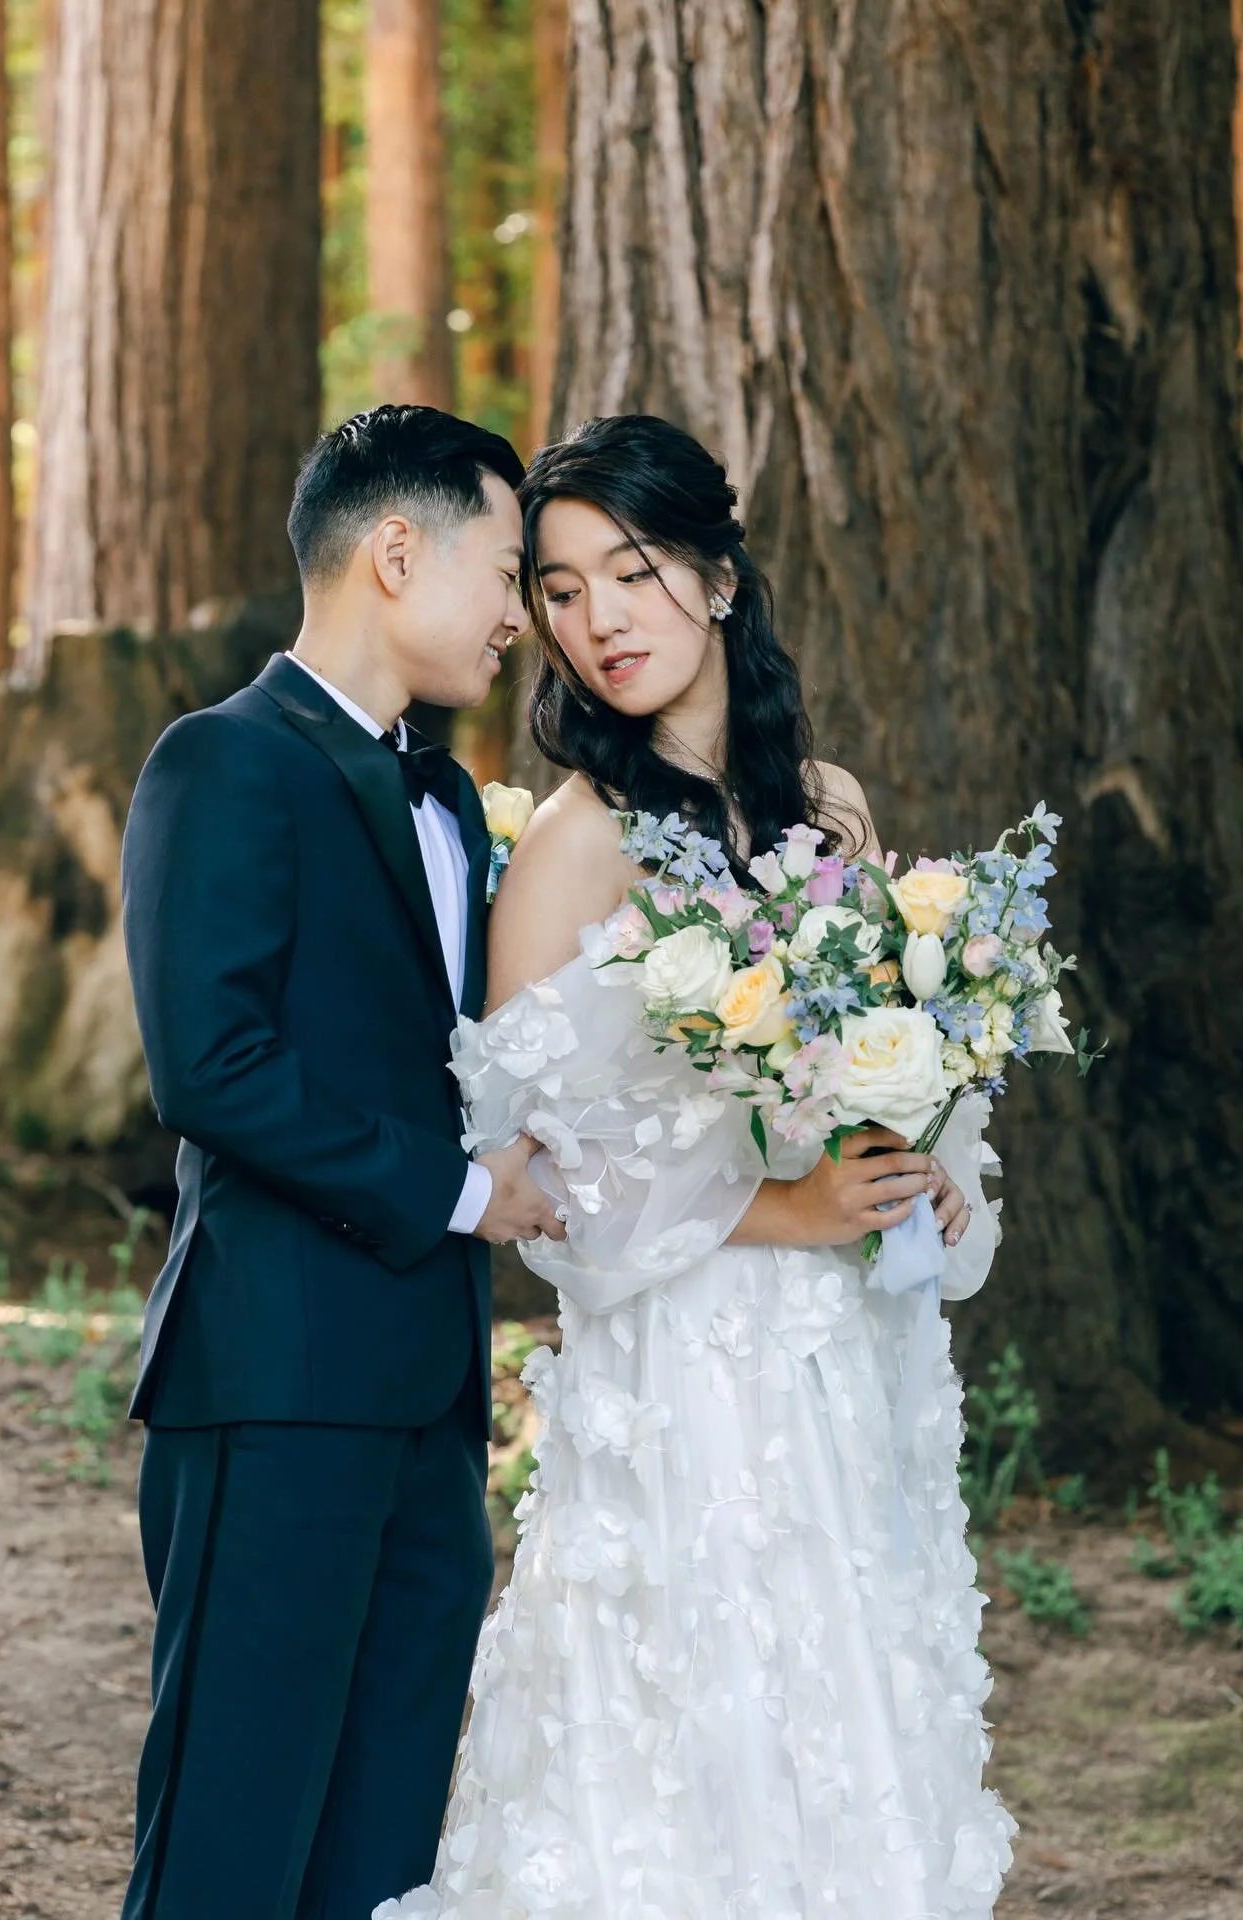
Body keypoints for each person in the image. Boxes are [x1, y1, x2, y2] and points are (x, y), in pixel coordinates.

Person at [381, 415, 1016, 1919]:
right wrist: (778, 1204)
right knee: (683, 1737)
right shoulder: (576, 843)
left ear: (719, 577)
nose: (600, 618)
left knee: (846, 1711)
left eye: (635, 569)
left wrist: (925, 1166)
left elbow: (896, 1054)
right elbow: (524, 1173)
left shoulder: (832, 809)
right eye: (560, 587)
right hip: (684, 1364)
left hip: (838, 1360)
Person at [117, 404, 565, 1920]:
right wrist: (458, 1194)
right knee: (230, 1853)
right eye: (506, 571)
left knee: (384, 1861)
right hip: (276, 1388)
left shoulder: (444, 795)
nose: (521, 615)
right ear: (394, 552)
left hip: (430, 1407)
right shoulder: (222, 764)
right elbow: (212, 1067)